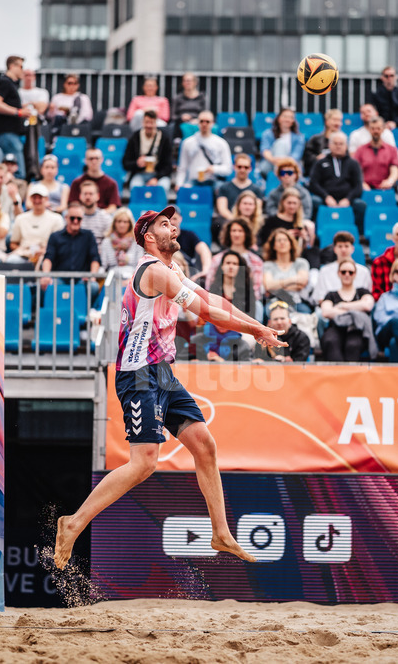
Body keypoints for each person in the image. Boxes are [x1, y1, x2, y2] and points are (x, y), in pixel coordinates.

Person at [53, 206, 285, 570]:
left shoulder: (172, 269)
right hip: (138, 374)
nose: (173, 226)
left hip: (161, 372)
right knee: (144, 462)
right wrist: (255, 332)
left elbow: (216, 302)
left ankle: (220, 532)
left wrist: (260, 326)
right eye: (165, 224)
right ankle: (74, 522)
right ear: (148, 236)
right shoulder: (154, 271)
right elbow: (206, 315)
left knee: (205, 445)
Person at [202, 250, 256, 361]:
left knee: (249, 339)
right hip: (216, 328)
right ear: (222, 266)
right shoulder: (214, 289)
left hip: (240, 329)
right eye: (228, 263)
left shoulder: (247, 291)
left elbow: (250, 316)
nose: (231, 266)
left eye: (235, 264)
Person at [319, 260, 375, 362]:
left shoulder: (362, 291)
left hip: (357, 329)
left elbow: (367, 306)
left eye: (350, 272)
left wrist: (341, 306)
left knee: (353, 345)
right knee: (330, 341)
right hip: (336, 328)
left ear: (355, 274)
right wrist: (355, 310)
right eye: (343, 272)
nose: (347, 275)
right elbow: (326, 312)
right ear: (338, 273)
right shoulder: (331, 294)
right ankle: (338, 375)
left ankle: (350, 376)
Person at [308, 131, 365, 231]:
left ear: (346, 146)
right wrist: (326, 197)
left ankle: (359, 235)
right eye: (335, 143)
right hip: (325, 199)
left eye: (341, 144)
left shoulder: (353, 164)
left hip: (347, 200)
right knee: (314, 201)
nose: (338, 146)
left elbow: (358, 186)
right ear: (329, 145)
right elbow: (314, 184)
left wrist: (348, 199)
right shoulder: (321, 163)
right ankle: (317, 234)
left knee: (360, 205)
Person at [204, 217, 265, 307]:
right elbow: (209, 285)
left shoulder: (256, 261)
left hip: (246, 303)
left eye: (240, 231)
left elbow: (257, 290)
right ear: (229, 233)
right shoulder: (217, 259)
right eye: (234, 230)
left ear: (246, 234)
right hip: (220, 303)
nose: (237, 234)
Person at [39, 204, 101, 290]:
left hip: (82, 279)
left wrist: (92, 276)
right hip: (59, 278)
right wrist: (46, 276)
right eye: (72, 218)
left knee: (93, 287)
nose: (75, 221)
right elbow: (48, 258)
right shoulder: (55, 236)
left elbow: (95, 258)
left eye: (78, 219)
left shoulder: (89, 236)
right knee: (45, 286)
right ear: (66, 218)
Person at [0, 55, 32, 179]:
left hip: (11, 134)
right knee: (18, 174)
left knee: (12, 174)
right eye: (21, 66)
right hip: (7, 134)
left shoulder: (11, 84)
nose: (22, 70)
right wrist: (19, 112)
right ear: (12, 66)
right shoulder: (4, 82)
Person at [174, 111, 232, 189]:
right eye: (201, 121)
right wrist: (179, 183)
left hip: (213, 181)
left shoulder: (221, 143)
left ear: (212, 123)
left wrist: (214, 169)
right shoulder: (187, 142)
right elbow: (182, 167)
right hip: (193, 181)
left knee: (222, 190)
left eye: (207, 122)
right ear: (198, 123)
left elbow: (228, 169)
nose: (204, 124)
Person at [7, 186, 63, 265]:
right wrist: (26, 252)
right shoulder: (20, 218)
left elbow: (59, 243)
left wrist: (44, 250)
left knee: (46, 263)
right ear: (30, 199)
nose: (37, 200)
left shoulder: (57, 219)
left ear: (46, 199)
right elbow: (13, 243)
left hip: (46, 255)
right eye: (34, 197)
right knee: (11, 261)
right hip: (24, 255)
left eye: (40, 198)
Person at [311, 231, 372, 303]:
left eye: (346, 246)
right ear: (334, 249)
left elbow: (368, 297)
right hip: (330, 309)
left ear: (352, 249)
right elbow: (319, 298)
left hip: (357, 310)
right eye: (340, 246)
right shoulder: (324, 271)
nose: (343, 250)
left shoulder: (363, 271)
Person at [123, 110, 173, 192]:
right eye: (147, 122)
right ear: (143, 122)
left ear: (156, 123)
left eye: (152, 122)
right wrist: (137, 163)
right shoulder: (135, 137)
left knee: (162, 188)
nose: (149, 125)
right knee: (135, 187)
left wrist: (156, 178)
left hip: (159, 174)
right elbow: (125, 163)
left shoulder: (164, 138)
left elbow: (168, 166)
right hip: (140, 173)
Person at [214, 154, 263, 238]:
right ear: (234, 167)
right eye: (239, 167)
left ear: (250, 169)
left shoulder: (256, 190)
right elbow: (222, 209)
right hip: (231, 221)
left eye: (246, 167)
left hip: (251, 223)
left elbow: (256, 209)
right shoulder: (224, 187)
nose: (242, 170)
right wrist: (237, 223)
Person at [261, 227, 310, 311]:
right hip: (274, 301)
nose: (282, 242)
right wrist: (294, 280)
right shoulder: (267, 265)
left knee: (305, 312)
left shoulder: (301, 263)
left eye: (285, 240)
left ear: (290, 244)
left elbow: (302, 282)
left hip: (297, 302)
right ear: (273, 246)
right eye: (279, 240)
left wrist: (278, 285)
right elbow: (269, 286)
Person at [257, 187, 315, 253]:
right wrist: (285, 236)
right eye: (289, 203)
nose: (292, 206)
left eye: (294, 203)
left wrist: (305, 239)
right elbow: (264, 243)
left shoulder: (301, 223)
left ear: (299, 204)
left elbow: (306, 247)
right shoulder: (271, 221)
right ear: (283, 202)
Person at [354, 117, 398, 191]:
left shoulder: (392, 150)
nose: (376, 131)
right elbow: (355, 170)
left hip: (385, 188)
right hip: (365, 188)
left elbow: (395, 169)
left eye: (378, 128)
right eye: (373, 128)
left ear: (383, 129)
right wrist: (361, 183)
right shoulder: (360, 150)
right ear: (369, 130)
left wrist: (390, 181)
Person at [259, 108, 305, 182]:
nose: (287, 119)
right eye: (285, 116)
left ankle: (281, 174)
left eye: (290, 117)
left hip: (290, 164)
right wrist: (275, 160)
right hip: (271, 163)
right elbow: (265, 150)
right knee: (281, 143)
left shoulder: (299, 137)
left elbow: (296, 155)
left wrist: (283, 164)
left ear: (293, 121)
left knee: (282, 144)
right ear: (279, 118)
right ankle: (281, 175)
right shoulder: (267, 134)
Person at [98, 207, 144, 279]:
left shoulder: (137, 242)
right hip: (111, 277)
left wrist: (130, 281)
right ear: (114, 223)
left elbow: (139, 266)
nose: (122, 225)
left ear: (130, 224)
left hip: (131, 278)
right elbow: (103, 266)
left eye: (125, 222)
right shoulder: (106, 242)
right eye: (119, 221)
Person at [71, 148, 120, 212]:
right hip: (82, 217)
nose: (94, 161)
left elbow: (113, 207)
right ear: (85, 160)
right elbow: (74, 204)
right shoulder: (77, 182)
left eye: (97, 158)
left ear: (102, 159)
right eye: (91, 159)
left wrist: (99, 216)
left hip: (104, 218)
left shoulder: (111, 183)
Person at [169, 204, 211, 278]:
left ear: (180, 219)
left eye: (175, 218)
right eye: (169, 219)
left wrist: (205, 270)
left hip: (188, 274)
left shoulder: (189, 235)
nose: (172, 222)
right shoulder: (160, 238)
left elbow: (203, 249)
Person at [302, 109, 343, 176]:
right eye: (335, 120)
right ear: (327, 121)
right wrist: (317, 158)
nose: (337, 123)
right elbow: (306, 158)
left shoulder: (343, 142)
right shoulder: (315, 139)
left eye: (340, 120)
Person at [368, 65, 398, 130]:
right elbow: (374, 113)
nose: (389, 78)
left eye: (391, 76)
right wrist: (383, 123)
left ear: (395, 77)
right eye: (386, 76)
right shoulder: (376, 94)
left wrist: (395, 123)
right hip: (380, 127)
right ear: (382, 78)